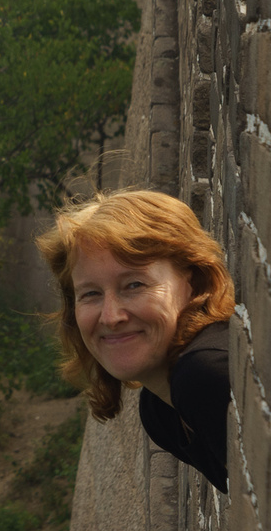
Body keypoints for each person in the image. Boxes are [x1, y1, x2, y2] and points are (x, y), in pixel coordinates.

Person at [40, 189, 237, 491]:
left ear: (193, 282)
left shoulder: (204, 374)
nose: (110, 316)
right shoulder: (159, 411)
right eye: (90, 294)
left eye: (134, 285)